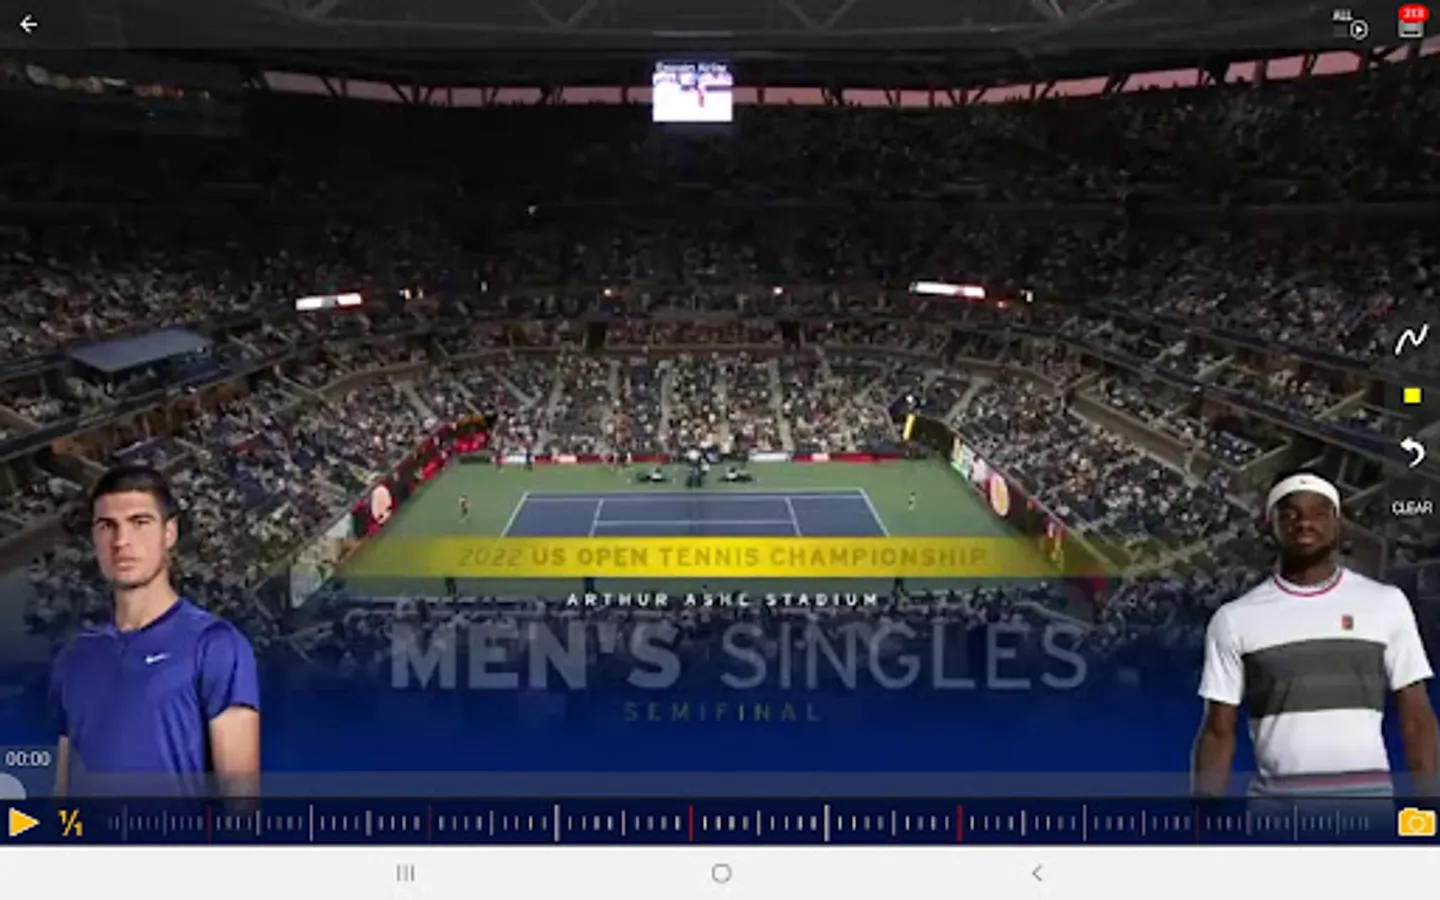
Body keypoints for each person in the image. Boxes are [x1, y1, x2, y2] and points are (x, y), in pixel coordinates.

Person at [1192, 471, 1437, 801]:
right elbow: (1218, 732)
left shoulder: (1386, 603)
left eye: (1319, 513)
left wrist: (1428, 810)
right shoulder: (1234, 619)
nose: (1305, 523)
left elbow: (1417, 719)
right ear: (1270, 524)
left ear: (1338, 524)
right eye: (1290, 514)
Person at [49, 464, 261, 798]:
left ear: (169, 533)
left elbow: (241, 803)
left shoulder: (214, 644)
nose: (121, 541)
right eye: (107, 526)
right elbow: (63, 789)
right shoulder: (73, 658)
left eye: (140, 522)